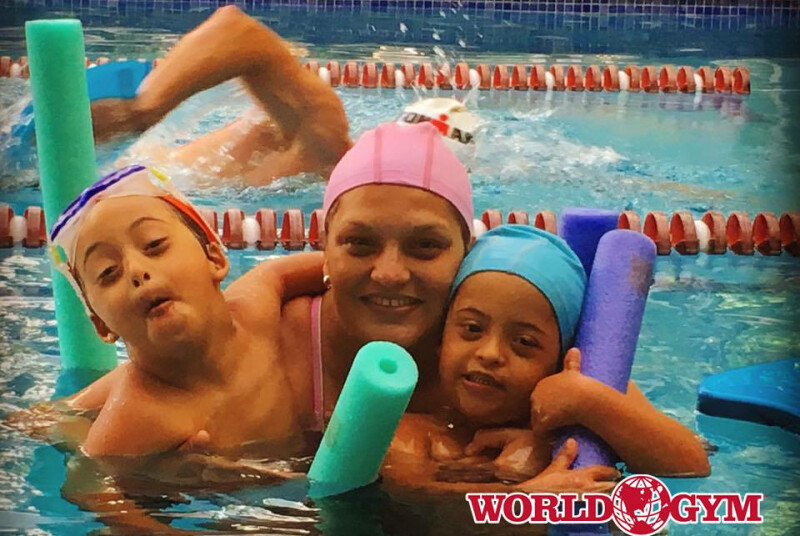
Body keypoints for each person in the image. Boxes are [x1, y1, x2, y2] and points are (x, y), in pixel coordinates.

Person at [383, 225, 710, 493]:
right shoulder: (412, 438)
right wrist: (527, 499)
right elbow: (413, 510)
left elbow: (691, 466)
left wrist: (588, 401)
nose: (490, 353)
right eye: (472, 328)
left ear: (559, 361)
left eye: (524, 343)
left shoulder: (588, 396)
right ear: (440, 340)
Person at [46, 164, 327, 458]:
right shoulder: (133, 421)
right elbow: (90, 479)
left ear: (214, 259)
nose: (137, 271)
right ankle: (50, 418)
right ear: (102, 326)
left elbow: (295, 271)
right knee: (55, 422)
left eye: (154, 245)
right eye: (108, 272)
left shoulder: (255, 310)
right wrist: (168, 477)